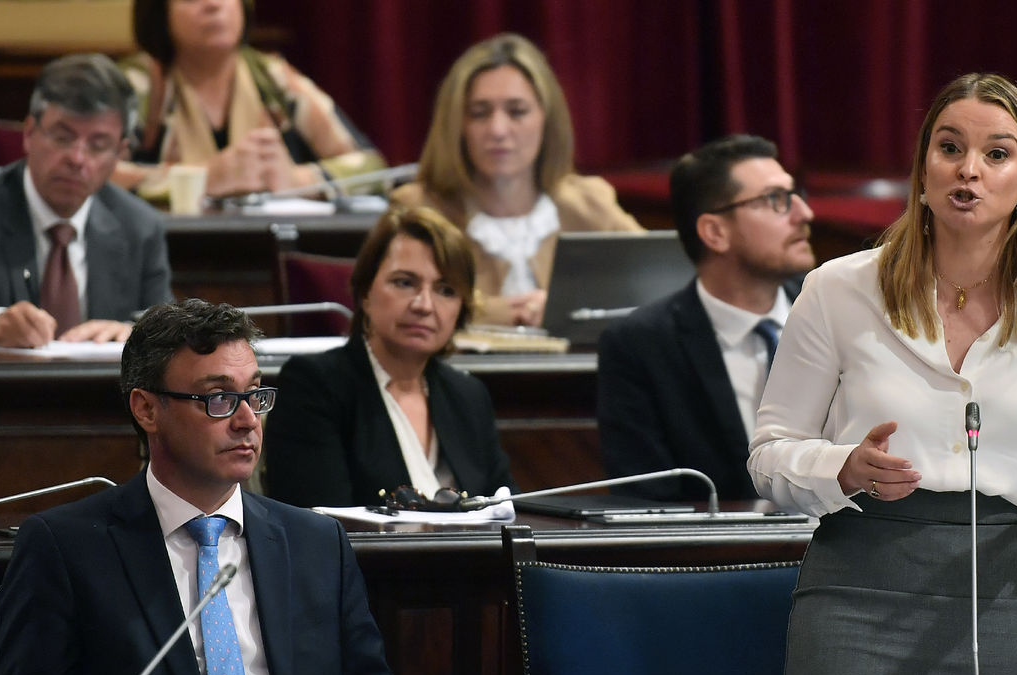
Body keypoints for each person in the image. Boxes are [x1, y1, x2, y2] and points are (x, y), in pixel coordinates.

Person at [748, 73, 1017, 674]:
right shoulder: (837, 290)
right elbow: (769, 454)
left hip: (1005, 593)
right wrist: (842, 467)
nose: (968, 169)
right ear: (923, 171)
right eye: (950, 148)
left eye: (997, 154)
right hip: (857, 591)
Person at [0, 298, 391, 674]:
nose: (248, 420)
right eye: (219, 398)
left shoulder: (318, 545)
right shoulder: (65, 549)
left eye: (254, 394)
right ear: (146, 409)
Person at [597, 135, 815, 501]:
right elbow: (649, 501)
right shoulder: (642, 345)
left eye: (796, 195)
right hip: (722, 554)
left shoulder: (837, 311)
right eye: (776, 200)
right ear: (715, 232)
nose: (804, 214)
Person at [264, 205, 515, 507]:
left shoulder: (468, 396)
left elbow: (506, 512)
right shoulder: (315, 385)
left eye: (445, 290)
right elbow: (318, 524)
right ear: (366, 292)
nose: (424, 305)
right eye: (405, 283)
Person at [389, 32, 642, 327]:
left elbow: (658, 288)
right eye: (479, 113)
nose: (498, 129)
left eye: (517, 111)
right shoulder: (419, 210)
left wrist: (565, 307)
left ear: (547, 121)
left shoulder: (589, 203)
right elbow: (391, 308)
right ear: (458, 126)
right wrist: (496, 313)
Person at [0, 53, 172, 349]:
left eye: (98, 145)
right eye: (62, 137)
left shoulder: (140, 228)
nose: (77, 159)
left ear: (120, 153)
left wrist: (131, 334)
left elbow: (167, 332)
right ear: (29, 133)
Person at [114, 0, 384, 202]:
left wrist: (298, 180)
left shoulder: (273, 78)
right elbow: (95, 174)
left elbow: (371, 167)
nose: (214, 5)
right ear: (159, 13)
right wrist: (204, 178)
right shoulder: (138, 85)